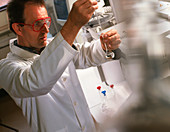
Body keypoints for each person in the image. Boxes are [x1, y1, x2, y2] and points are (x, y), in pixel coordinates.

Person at [0, 0, 121, 131]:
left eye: (46, 22)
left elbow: (82, 55)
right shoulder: (7, 68)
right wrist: (73, 24)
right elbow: (35, 82)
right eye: (38, 24)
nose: (45, 29)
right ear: (18, 28)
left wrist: (104, 46)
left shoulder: (53, 45)